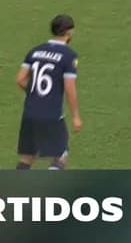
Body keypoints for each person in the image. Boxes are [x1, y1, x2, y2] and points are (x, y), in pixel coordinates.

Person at [15, 14, 82, 170]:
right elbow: (70, 88)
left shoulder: (34, 51)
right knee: (61, 154)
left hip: (30, 113)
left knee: (27, 156)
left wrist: (35, 93)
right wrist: (76, 117)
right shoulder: (69, 56)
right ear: (69, 32)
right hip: (51, 114)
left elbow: (20, 79)